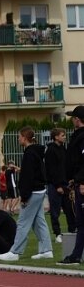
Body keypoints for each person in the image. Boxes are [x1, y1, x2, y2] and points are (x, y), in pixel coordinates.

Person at [0, 127, 53, 262]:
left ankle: (15, 252)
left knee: (22, 222)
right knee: (39, 221)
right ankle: (46, 250)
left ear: (24, 137)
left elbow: (28, 177)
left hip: (33, 192)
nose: (18, 138)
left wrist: (25, 196)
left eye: (19, 136)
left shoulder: (29, 153)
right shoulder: (36, 151)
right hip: (39, 190)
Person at [59, 105, 84, 265]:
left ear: (77, 119)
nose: (72, 121)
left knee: (81, 222)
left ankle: (75, 255)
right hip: (78, 181)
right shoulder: (78, 135)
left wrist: (81, 181)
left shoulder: (82, 136)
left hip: (82, 184)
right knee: (81, 222)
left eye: (73, 118)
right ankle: (75, 254)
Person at [45, 128, 75, 243]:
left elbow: (66, 167)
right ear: (56, 137)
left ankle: (72, 230)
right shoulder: (51, 151)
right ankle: (57, 233)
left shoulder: (63, 149)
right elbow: (51, 170)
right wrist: (57, 185)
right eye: (62, 135)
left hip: (66, 184)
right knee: (55, 211)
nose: (64, 137)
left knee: (69, 209)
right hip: (55, 186)